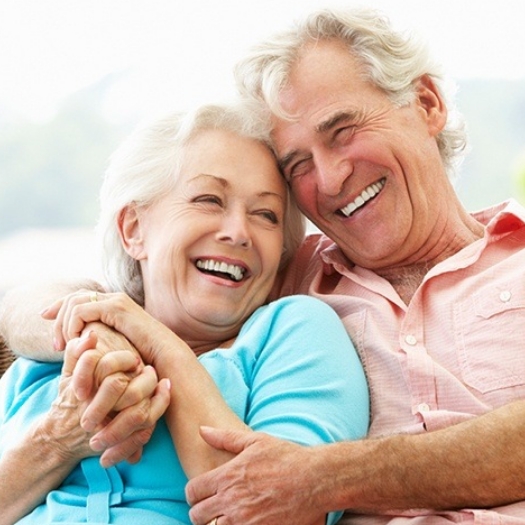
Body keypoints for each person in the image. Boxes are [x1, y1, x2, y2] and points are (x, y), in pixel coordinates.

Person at [4, 5, 525, 524]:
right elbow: (33, 302)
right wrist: (93, 324)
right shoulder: (288, 272)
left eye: (343, 131)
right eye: (298, 164)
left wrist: (320, 476)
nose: (330, 178)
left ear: (427, 103)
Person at [0, 103, 370, 524]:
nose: (238, 232)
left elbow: (281, 514)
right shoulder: (43, 360)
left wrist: (161, 348)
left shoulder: (295, 333)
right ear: (133, 229)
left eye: (265, 215)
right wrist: (56, 440)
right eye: (209, 200)